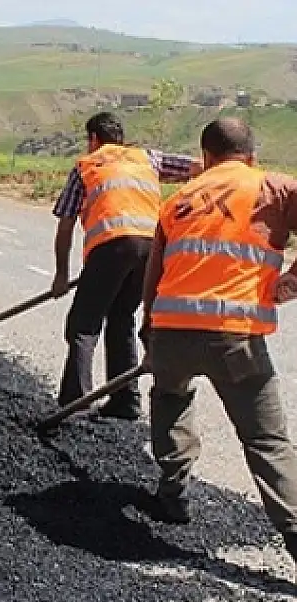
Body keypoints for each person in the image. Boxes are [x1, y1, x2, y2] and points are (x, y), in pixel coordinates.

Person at [139, 117, 297, 563]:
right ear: (250, 154)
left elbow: (155, 277)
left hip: (171, 333)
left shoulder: (180, 200)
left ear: (205, 155)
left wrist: (149, 333)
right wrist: (290, 282)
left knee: (170, 397)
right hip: (235, 340)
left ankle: (172, 493)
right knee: (267, 441)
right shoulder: (271, 187)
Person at [50, 111, 200, 421]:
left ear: (93, 139)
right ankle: (126, 401)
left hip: (113, 244)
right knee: (120, 318)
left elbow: (65, 225)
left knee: (83, 325)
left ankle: (74, 404)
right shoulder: (148, 158)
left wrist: (62, 275)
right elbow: (197, 167)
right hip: (152, 248)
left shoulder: (87, 166)